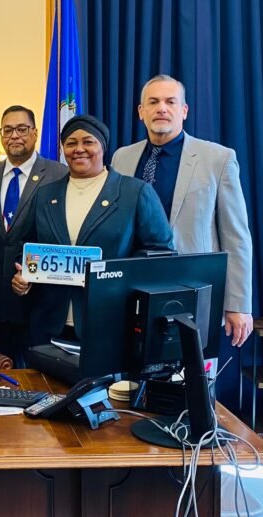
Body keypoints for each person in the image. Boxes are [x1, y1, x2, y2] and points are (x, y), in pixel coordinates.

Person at [112, 75, 253, 347]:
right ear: (141, 112)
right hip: (132, 292)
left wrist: (237, 304)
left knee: (189, 386)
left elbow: (236, 236)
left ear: (184, 111)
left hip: (192, 292)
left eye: (170, 101)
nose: (161, 108)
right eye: (153, 102)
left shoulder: (218, 158)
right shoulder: (122, 157)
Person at [12, 115, 173, 345]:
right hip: (48, 329)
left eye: (88, 142)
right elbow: (24, 247)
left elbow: (161, 254)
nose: (79, 149)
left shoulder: (134, 193)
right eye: (70, 143)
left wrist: (116, 275)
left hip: (109, 325)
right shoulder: (44, 195)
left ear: (102, 147)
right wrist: (22, 276)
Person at [0, 105, 67, 367]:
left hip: (39, 297)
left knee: (39, 374)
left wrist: (31, 271)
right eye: (8, 130)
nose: (14, 135)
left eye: (22, 129)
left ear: (35, 133)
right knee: (3, 369)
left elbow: (60, 235)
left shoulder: (59, 174)